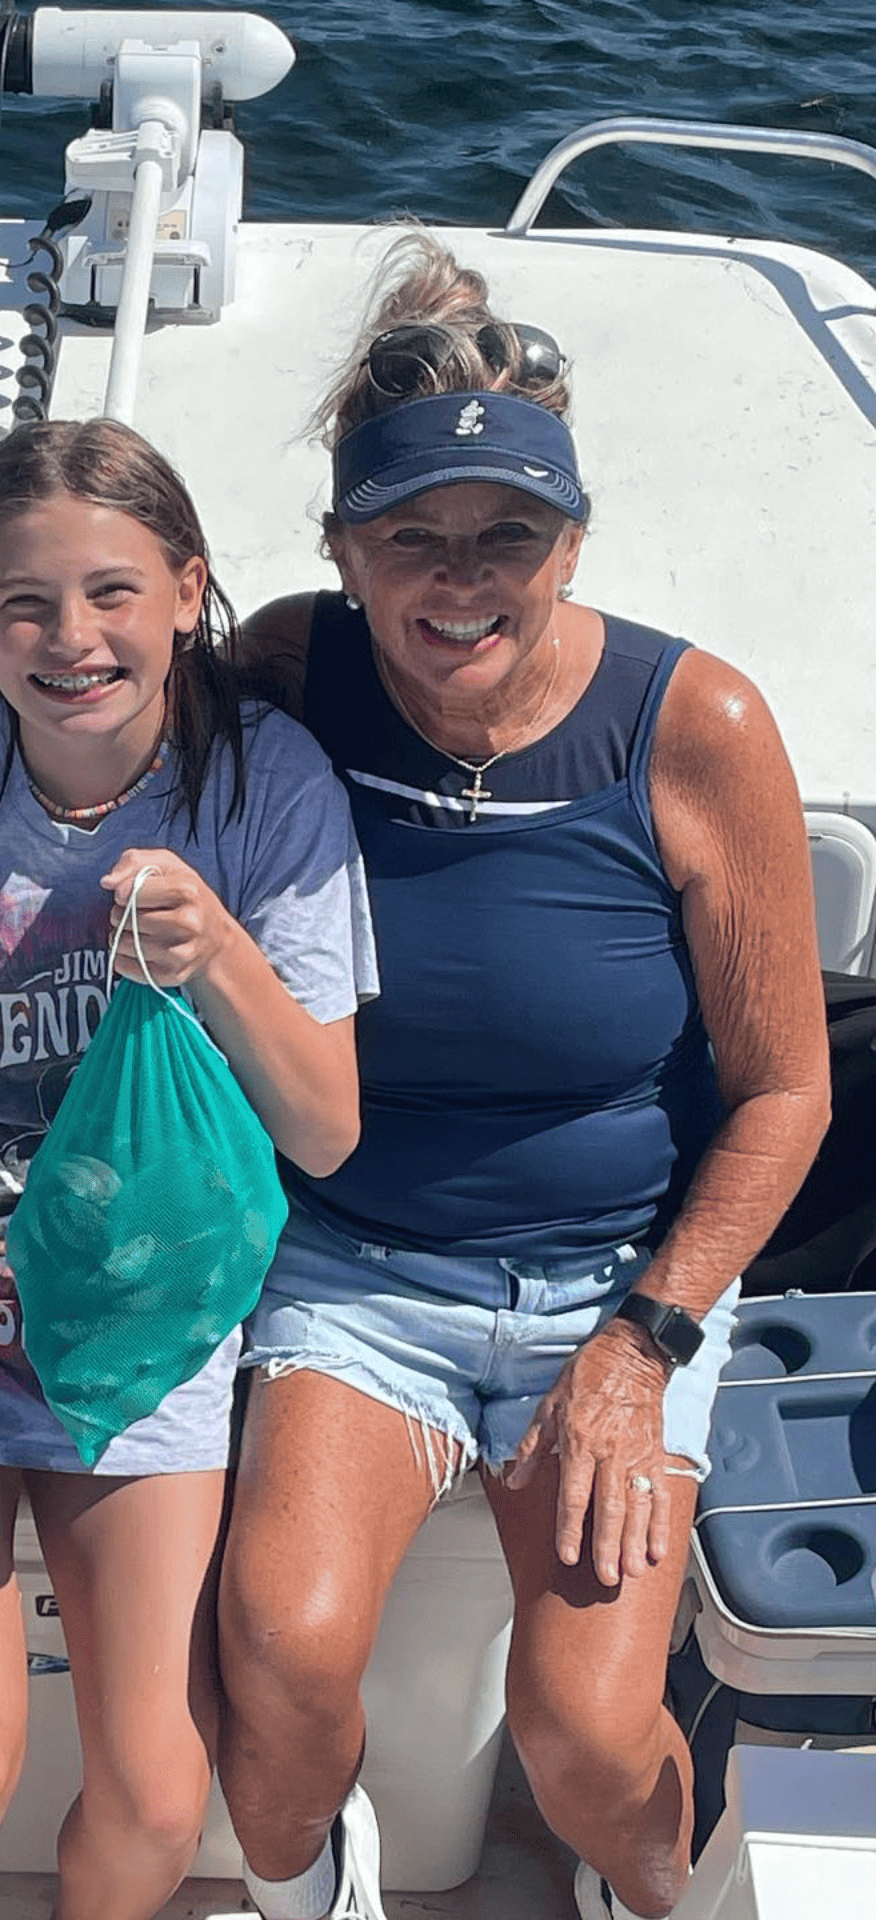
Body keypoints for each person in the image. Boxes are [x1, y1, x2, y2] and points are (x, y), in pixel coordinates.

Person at [209, 236, 829, 1920]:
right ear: (343, 551)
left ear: (574, 542)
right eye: (410, 537)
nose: (459, 578)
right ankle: (305, 1894)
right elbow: (80, 765)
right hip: (350, 1263)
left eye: (511, 538)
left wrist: (644, 1343)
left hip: (618, 1282)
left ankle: (642, 1893)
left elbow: (786, 1092)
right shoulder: (285, 671)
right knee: (277, 1649)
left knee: (589, 1729)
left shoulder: (699, 723)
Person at [0, 418, 377, 1920]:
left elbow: (324, 1126)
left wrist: (225, 957)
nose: (74, 639)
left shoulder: (270, 791)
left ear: (191, 592)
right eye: (26, 603)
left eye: (115, 592)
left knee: (151, 1791)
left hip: (150, 1304)